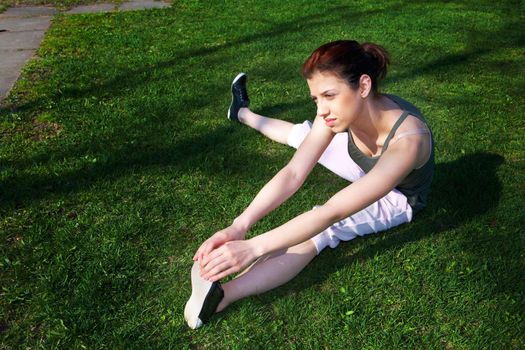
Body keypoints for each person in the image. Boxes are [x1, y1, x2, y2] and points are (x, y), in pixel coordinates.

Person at [184, 40, 434, 329]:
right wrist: (240, 226)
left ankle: (222, 295)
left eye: (329, 95)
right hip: (365, 166)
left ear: (363, 87)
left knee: (326, 229)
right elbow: (293, 173)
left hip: (398, 195)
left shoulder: (409, 141)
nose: (322, 109)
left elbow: (331, 212)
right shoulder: (341, 112)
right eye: (316, 99)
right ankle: (241, 112)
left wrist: (253, 247)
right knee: (303, 136)